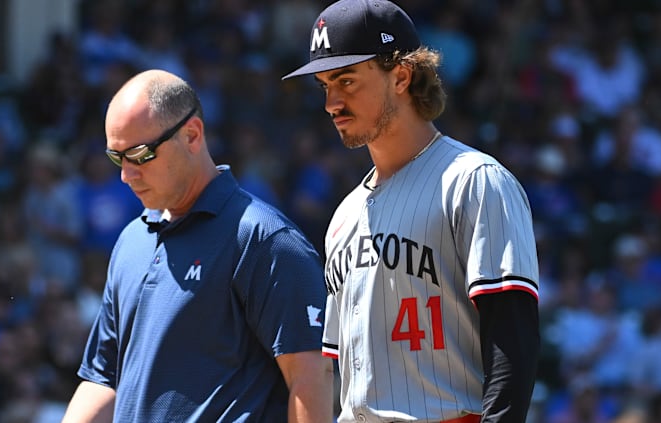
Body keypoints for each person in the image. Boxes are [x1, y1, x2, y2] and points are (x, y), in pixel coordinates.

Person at [282, 0, 540, 421]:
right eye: (325, 85)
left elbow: (514, 341)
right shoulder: (343, 218)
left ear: (401, 75)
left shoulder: (474, 181)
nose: (332, 102)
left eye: (346, 81)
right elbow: (336, 373)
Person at [62, 69, 333, 422]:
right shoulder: (131, 240)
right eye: (117, 158)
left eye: (140, 154)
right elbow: (104, 380)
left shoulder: (264, 240)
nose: (126, 175)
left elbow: (310, 380)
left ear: (192, 135)